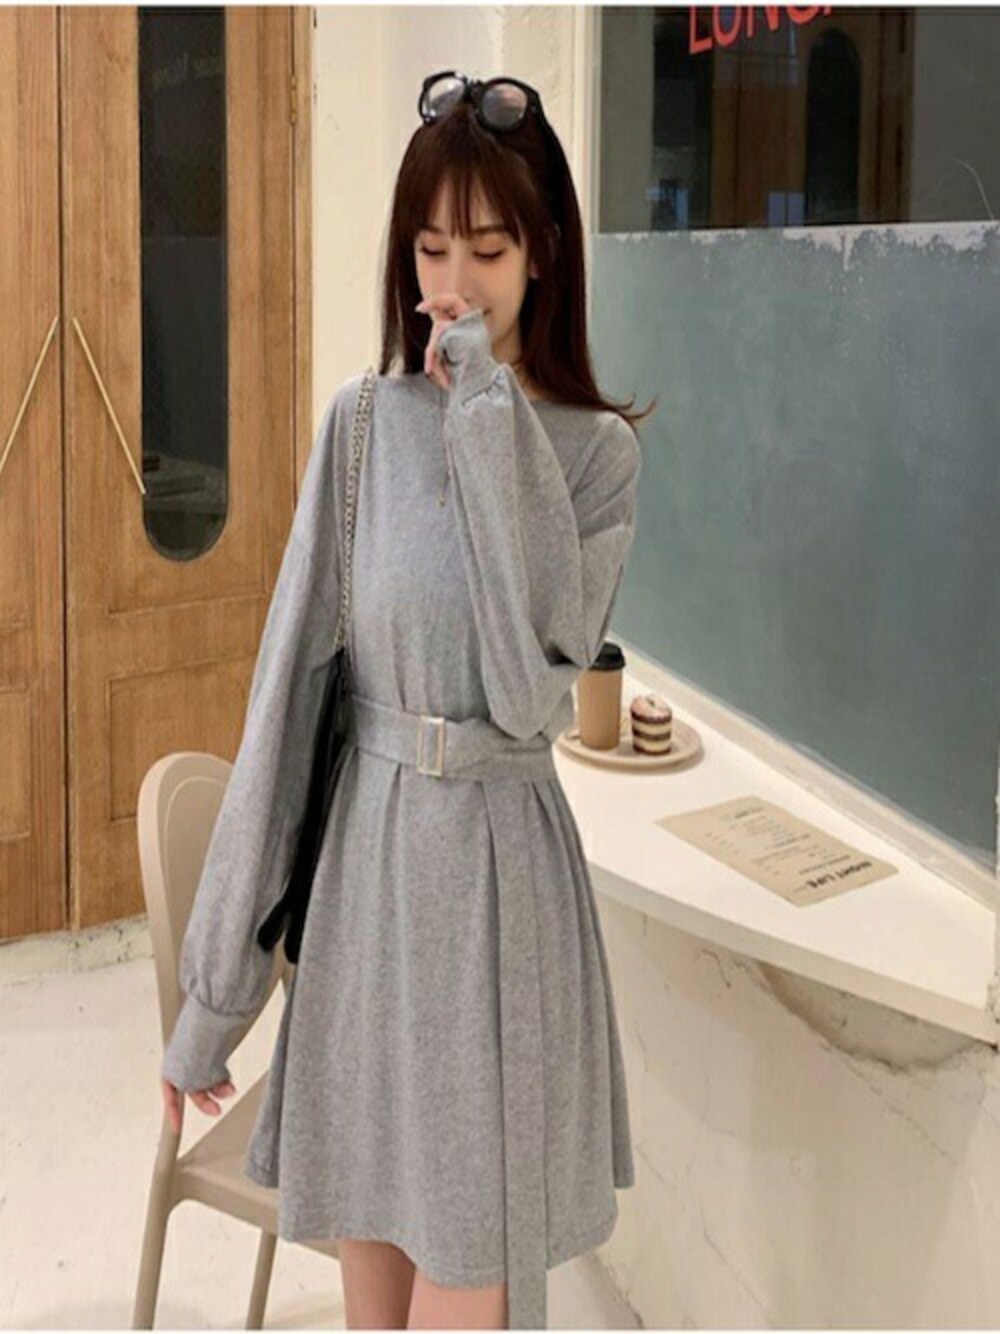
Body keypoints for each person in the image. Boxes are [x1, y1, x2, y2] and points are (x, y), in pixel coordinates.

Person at [160, 69, 653, 1331]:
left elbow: (525, 689)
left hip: (497, 895)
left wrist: (485, 405)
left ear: (542, 252)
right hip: (368, 890)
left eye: (485, 249)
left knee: (466, 1278)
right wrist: (214, 999)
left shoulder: (595, 458)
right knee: (371, 1290)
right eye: (430, 249)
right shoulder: (363, 428)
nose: (453, 284)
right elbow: (287, 700)